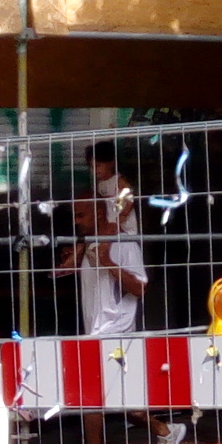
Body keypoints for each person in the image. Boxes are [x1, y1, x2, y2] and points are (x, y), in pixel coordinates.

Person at [72, 142, 147, 337]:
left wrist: (115, 226)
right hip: (107, 227)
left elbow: (126, 204)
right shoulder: (100, 185)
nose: (95, 171)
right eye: (92, 167)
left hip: (121, 227)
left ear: (112, 163)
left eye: (99, 165)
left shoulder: (119, 183)